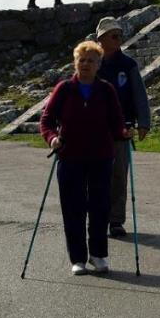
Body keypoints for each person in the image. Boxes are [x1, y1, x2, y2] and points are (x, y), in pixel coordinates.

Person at [39, 40, 133, 276]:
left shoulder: (106, 90)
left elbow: (116, 122)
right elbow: (47, 120)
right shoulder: (64, 89)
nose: (86, 64)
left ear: (99, 64)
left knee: (100, 208)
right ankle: (78, 258)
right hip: (69, 157)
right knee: (73, 209)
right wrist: (52, 139)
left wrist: (123, 132)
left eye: (91, 60)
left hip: (101, 158)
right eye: (82, 60)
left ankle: (98, 255)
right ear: (75, 63)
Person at [94, 17, 151, 238]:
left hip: (122, 130)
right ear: (101, 39)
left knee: (118, 176)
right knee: (96, 176)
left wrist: (143, 122)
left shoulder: (128, 65)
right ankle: (97, 217)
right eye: (113, 35)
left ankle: (116, 220)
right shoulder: (91, 62)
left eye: (119, 34)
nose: (118, 38)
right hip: (94, 131)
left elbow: (139, 94)